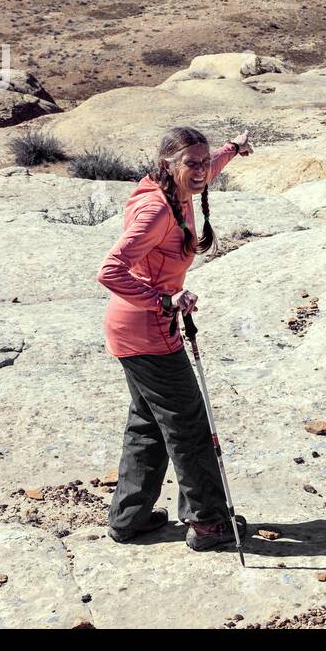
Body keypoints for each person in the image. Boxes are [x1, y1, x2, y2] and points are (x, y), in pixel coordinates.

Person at [96, 125, 253, 549]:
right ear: (167, 164)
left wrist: (232, 150)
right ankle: (209, 522)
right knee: (188, 427)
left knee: (148, 423)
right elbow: (109, 271)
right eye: (192, 164)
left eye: (204, 162)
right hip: (148, 330)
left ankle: (130, 518)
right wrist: (164, 299)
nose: (201, 171)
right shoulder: (158, 211)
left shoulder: (175, 186)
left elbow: (208, 168)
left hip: (134, 330)